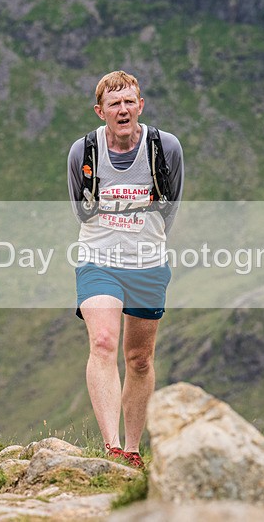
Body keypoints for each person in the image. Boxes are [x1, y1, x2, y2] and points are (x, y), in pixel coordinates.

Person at [67, 70, 184, 468]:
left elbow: (171, 208)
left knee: (139, 359)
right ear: (100, 111)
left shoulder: (165, 147)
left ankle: (133, 450)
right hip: (98, 261)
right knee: (102, 342)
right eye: (114, 104)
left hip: (148, 264)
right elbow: (80, 210)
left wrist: (140, 237)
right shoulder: (83, 152)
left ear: (141, 105)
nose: (123, 109)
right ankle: (111, 446)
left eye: (129, 101)